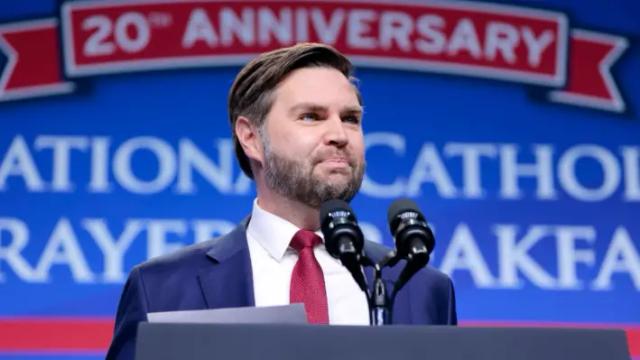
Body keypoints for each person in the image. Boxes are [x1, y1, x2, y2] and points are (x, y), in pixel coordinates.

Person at [106, 43, 457, 360]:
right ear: (251, 138)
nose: (339, 135)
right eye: (311, 116)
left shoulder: (420, 286)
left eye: (351, 119)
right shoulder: (162, 288)